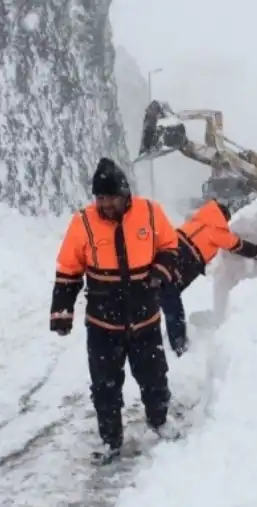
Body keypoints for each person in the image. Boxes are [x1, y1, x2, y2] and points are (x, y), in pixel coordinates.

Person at [49, 157, 180, 463]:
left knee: (154, 375)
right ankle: (111, 440)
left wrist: (160, 271)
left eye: (111, 198)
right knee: (105, 386)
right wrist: (61, 312)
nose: (105, 205)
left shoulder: (150, 212)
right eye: (100, 199)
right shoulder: (82, 222)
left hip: (144, 317)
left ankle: (159, 421)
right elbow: (69, 268)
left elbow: (170, 245)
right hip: (103, 324)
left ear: (125, 194)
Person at [160, 199, 257, 355]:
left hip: (169, 254)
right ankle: (178, 344)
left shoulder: (198, 221)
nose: (227, 224)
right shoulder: (216, 229)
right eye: (227, 220)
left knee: (162, 294)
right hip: (185, 260)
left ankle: (149, 330)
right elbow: (238, 246)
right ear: (222, 217)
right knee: (171, 300)